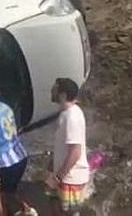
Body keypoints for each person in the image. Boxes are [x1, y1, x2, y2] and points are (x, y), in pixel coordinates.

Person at [0, 82, 34, 216]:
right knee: (11, 191)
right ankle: (28, 210)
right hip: (21, 156)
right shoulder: (6, 108)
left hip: (5, 165)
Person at [46, 78, 89, 216]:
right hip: (63, 175)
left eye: (55, 89)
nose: (51, 91)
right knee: (55, 207)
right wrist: (52, 163)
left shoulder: (72, 117)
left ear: (63, 95)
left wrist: (58, 177)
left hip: (71, 178)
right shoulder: (66, 114)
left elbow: (75, 152)